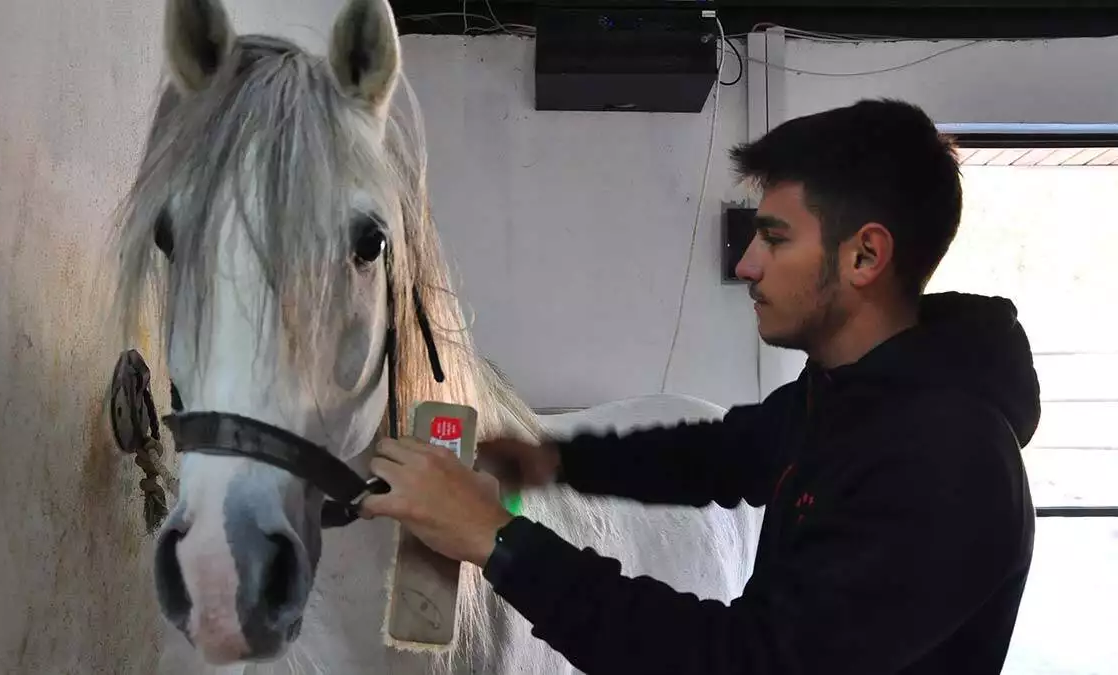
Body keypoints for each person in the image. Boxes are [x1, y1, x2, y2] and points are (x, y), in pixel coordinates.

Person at [361, 98, 1040, 675]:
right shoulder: (843, 397)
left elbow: (740, 662)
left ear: (865, 255)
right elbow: (712, 454)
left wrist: (496, 539)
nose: (745, 264)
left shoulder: (948, 462)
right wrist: (536, 460)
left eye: (773, 238)